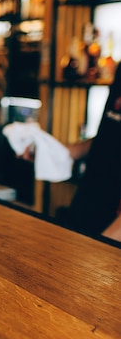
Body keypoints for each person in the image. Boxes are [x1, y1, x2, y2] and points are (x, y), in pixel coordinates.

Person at [20, 62, 121, 243]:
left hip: (111, 234)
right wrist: (54, 152)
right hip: (90, 201)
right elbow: (110, 136)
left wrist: (104, 245)